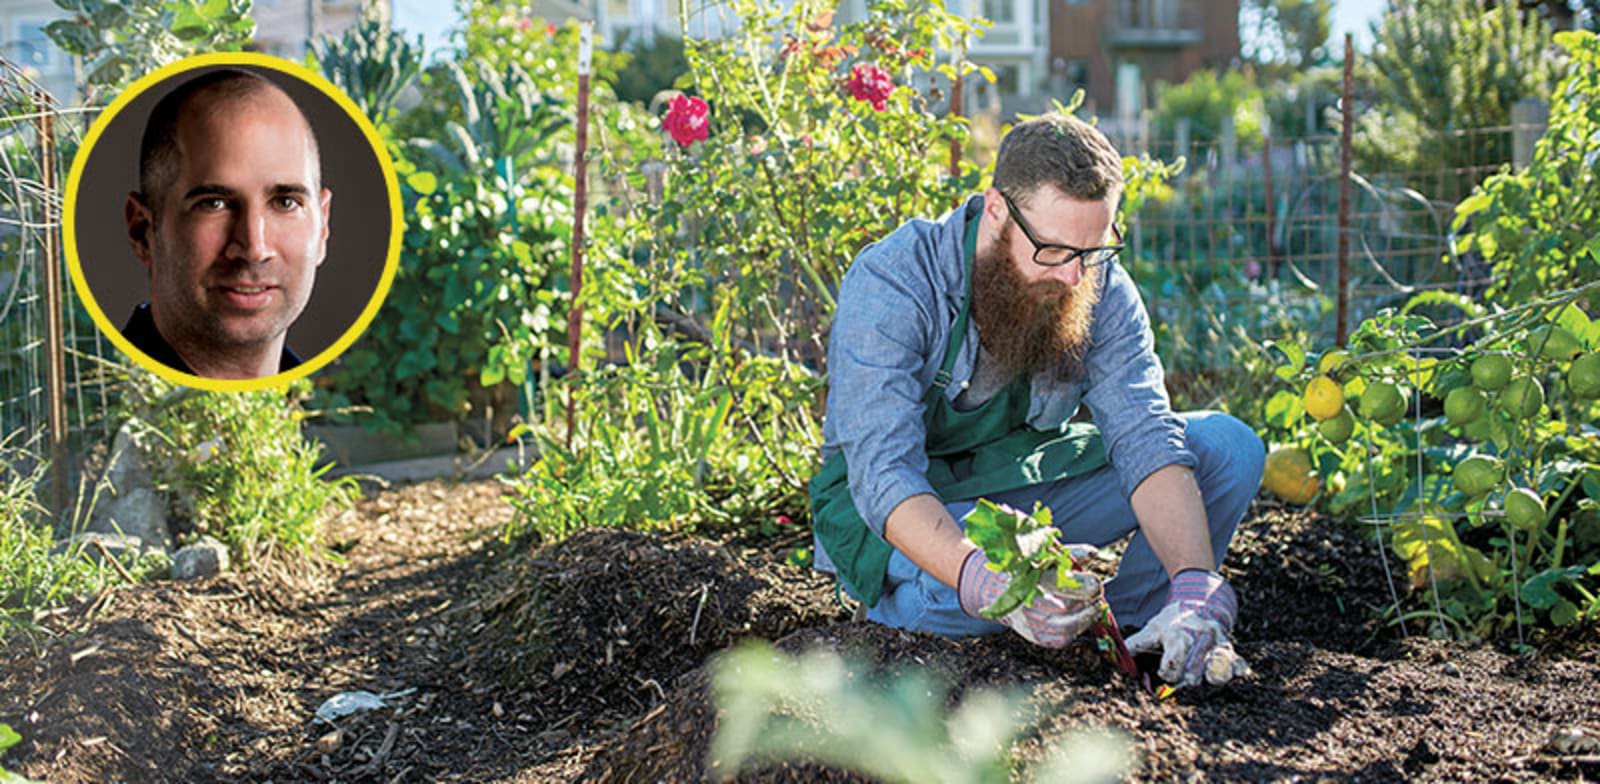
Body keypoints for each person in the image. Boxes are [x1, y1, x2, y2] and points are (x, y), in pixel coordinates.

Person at [809, 114, 1265, 688]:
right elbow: (883, 474)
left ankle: (1136, 638)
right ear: (997, 210)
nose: (1075, 276)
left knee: (1227, 448)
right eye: (1053, 250)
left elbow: (1144, 433)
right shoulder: (897, 281)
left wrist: (1195, 583)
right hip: (903, 509)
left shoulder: (1095, 282)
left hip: (1019, 488)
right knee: (964, 596)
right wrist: (980, 576)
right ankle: (898, 621)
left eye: (1093, 250)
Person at [121, 68, 331, 379]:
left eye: (285, 202)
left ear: (323, 227)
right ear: (143, 231)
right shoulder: (113, 400)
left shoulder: (309, 400)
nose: (254, 248)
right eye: (213, 204)